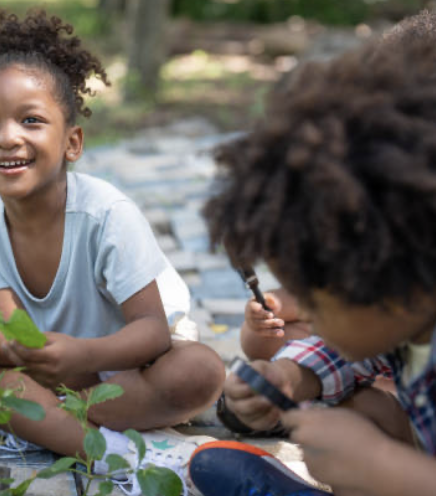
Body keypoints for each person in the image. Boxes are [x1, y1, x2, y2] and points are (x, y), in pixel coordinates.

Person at [0, 8, 225, 477]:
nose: (7, 138)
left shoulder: (106, 213)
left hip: (136, 366)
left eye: (31, 120)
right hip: (52, 370)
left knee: (200, 371)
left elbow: (152, 332)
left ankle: (55, 424)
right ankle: (108, 451)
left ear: (72, 143)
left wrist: (82, 355)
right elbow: (14, 346)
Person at [192, 10, 436, 496]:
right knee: (365, 415)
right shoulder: (405, 307)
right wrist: (288, 375)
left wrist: (391, 471)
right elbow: (351, 350)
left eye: (318, 300)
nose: (306, 311)